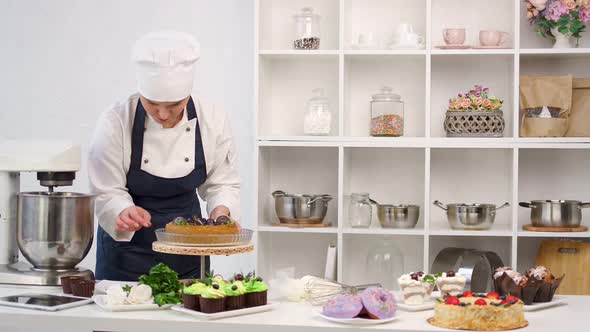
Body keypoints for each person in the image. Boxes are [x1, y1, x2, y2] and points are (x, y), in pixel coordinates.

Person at [88, 31, 240, 281]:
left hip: (189, 252)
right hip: (126, 254)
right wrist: (122, 210)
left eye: (174, 105)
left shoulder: (212, 118)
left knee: (188, 314)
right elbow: (106, 189)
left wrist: (221, 215)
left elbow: (222, 182)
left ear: (188, 94)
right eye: (152, 103)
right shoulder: (115, 121)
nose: (162, 114)